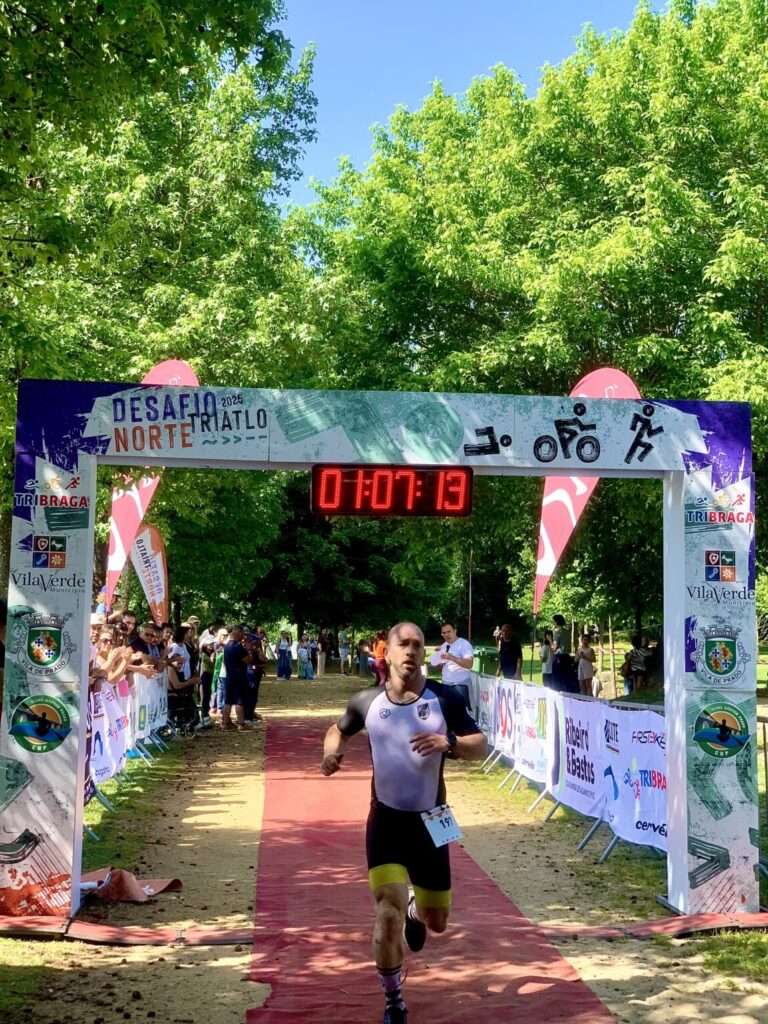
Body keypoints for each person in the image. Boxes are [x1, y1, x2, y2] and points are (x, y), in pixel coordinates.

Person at [320, 622, 487, 1024]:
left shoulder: (444, 698)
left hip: (433, 821)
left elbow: (480, 745)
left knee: (437, 922)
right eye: (403, 644)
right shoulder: (367, 702)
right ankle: (394, 1001)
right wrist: (331, 753)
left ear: (424, 653)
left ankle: (417, 911)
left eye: (417, 645)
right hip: (387, 822)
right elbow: (337, 731)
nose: (410, 651)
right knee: (385, 915)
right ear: (389, 653)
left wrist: (449, 742)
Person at [431, 622, 473, 708]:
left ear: (455, 631)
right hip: (445, 684)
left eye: (449, 631)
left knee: (462, 713)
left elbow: (469, 664)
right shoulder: (445, 645)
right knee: (448, 712)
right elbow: (444, 663)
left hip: (460, 685)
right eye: (444, 633)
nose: (446, 634)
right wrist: (438, 664)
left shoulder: (464, 644)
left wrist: (451, 657)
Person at [222, 625, 253, 731]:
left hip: (229, 676)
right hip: (238, 677)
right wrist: (248, 650)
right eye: (242, 634)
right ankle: (241, 724)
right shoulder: (238, 647)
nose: (243, 637)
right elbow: (248, 661)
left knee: (228, 701)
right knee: (239, 701)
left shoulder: (227, 646)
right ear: (239, 633)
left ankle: (225, 723)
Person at [551, 614, 574, 693]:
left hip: (559, 657)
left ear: (556, 622)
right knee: (567, 677)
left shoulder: (556, 632)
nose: (553, 623)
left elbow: (554, 647)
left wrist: (550, 641)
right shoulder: (567, 631)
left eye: (553, 621)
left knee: (557, 678)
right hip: (567, 656)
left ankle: (558, 693)